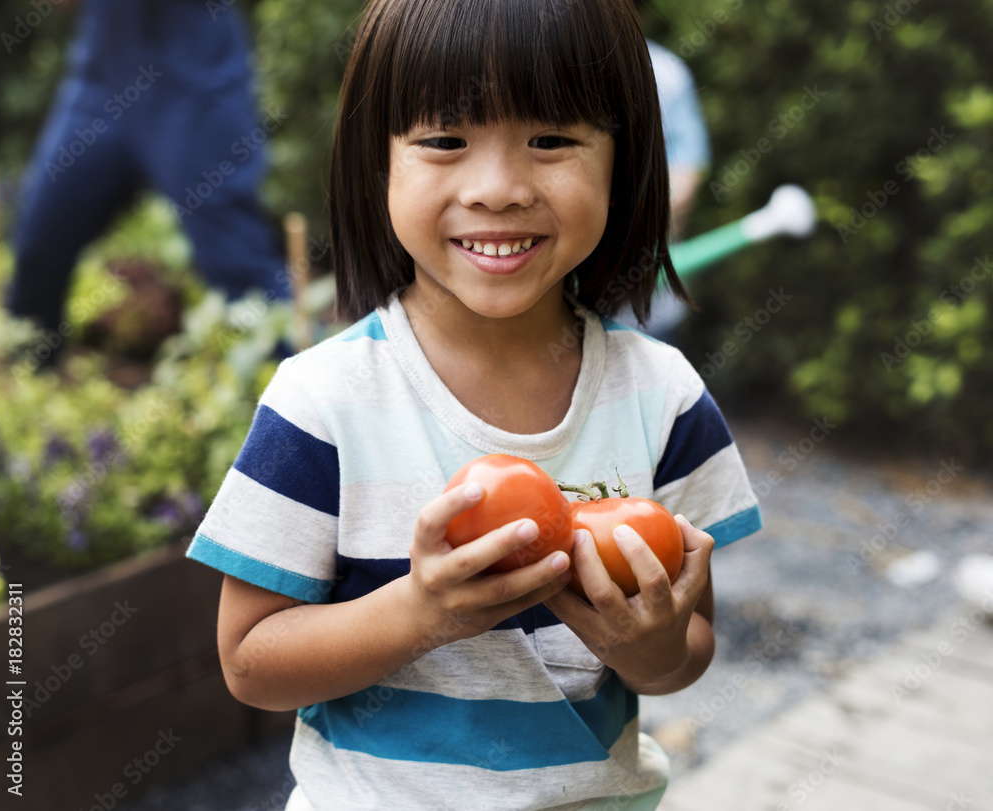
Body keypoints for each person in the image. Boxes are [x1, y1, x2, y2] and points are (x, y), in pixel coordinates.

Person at [186, 1, 761, 808]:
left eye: (552, 140)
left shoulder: (664, 399)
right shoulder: (324, 403)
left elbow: (686, 651)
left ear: (624, 160)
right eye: (446, 141)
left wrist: (650, 643)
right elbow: (250, 661)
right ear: (376, 163)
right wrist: (422, 611)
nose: (498, 189)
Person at [5, 0, 290, 359]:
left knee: (237, 265)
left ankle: (298, 390)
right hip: (102, 80)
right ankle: (28, 377)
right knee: (39, 246)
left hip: (196, 83)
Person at [622, 0, 713, 340]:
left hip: (648, 310)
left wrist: (626, 235)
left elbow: (686, 172)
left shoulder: (667, 74)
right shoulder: (550, 69)